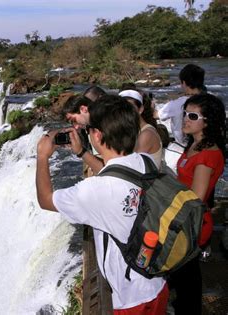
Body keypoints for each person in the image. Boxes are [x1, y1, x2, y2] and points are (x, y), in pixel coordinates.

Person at [37, 95, 169, 314]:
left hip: (130, 299)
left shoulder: (95, 191)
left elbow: (46, 200)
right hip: (158, 283)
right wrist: (81, 152)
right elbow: (115, 172)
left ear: (97, 135)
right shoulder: (144, 162)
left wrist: (42, 156)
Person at [168, 93, 226, 315]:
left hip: (192, 224)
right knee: (185, 279)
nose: (185, 119)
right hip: (185, 220)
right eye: (185, 113)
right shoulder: (194, 145)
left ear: (207, 121)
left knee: (187, 283)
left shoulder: (207, 155)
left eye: (192, 116)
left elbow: (196, 198)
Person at [156, 64, 206, 146]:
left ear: (184, 82)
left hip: (182, 147)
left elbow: (156, 115)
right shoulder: (211, 100)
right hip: (207, 144)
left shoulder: (176, 104)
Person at [119, 90, 163, 169]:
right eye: (121, 108)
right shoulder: (130, 131)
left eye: (130, 107)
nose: (126, 111)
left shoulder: (147, 134)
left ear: (140, 109)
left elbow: (130, 166)